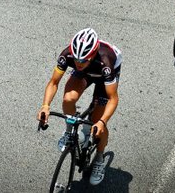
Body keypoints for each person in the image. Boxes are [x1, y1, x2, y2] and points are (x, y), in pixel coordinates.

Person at [37, 28, 122, 186]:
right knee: (69, 99)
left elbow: (113, 98)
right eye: (76, 59)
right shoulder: (68, 55)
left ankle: (99, 158)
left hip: (103, 75)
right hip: (85, 73)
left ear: (92, 54)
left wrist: (102, 122)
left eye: (83, 60)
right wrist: (45, 106)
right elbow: (53, 83)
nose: (78, 63)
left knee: (97, 121)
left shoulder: (106, 62)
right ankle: (70, 132)